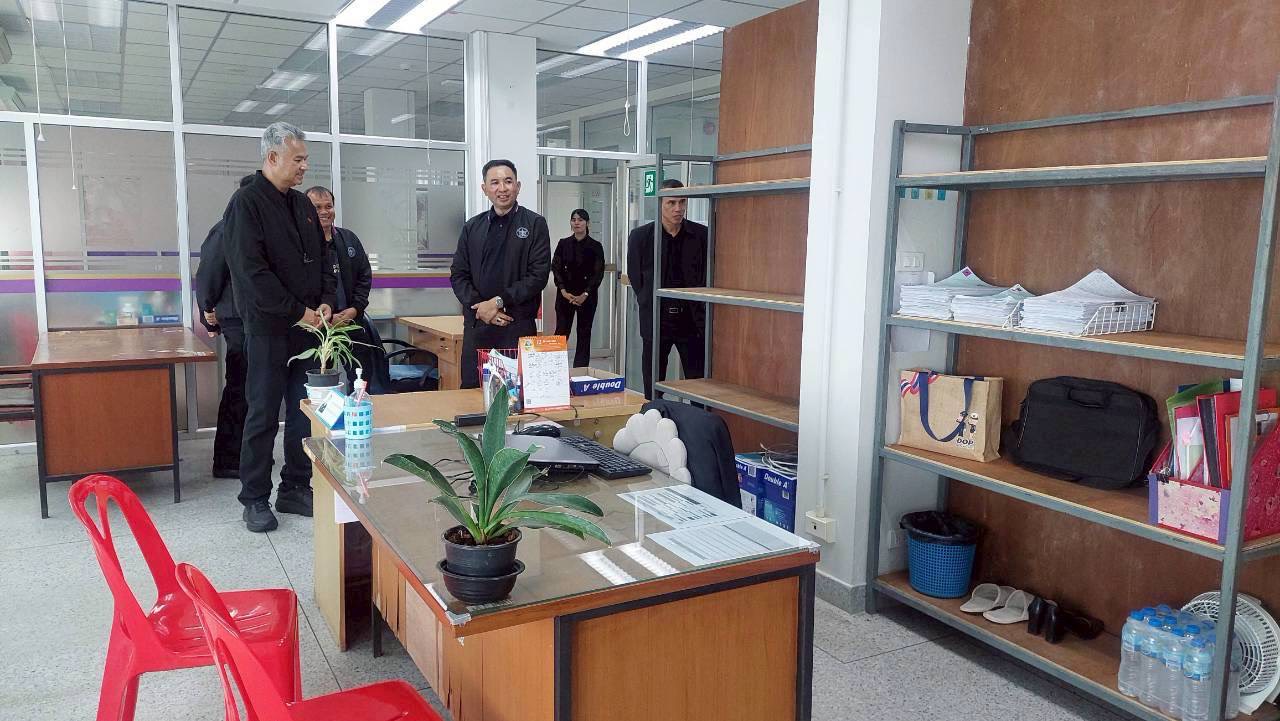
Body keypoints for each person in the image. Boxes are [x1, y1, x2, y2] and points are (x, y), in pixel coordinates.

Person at [224, 121, 335, 533]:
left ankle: (295, 486)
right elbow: (251, 273)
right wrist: (297, 311)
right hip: (268, 329)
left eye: (305, 159)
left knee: (304, 412)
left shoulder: (303, 205)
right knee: (263, 414)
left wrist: (324, 301)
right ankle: (254, 497)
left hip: (308, 328)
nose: (305, 166)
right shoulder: (246, 203)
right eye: (298, 159)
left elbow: (323, 259)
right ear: (272, 157)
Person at [450, 159, 551, 389]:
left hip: (516, 327)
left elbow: (538, 276)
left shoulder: (534, 224)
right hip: (478, 326)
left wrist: (497, 302)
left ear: (518, 186)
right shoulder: (472, 227)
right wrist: (481, 308)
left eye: (508, 181)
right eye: (494, 182)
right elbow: (458, 275)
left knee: (515, 396)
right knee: (472, 393)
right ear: (484, 188)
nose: (502, 188)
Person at [194, 175, 254, 479]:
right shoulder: (225, 230)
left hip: (255, 321)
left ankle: (246, 455)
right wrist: (207, 312)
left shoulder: (257, 230)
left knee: (251, 390)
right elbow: (208, 276)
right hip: (237, 320)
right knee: (239, 389)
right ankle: (228, 459)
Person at [626, 178, 707, 399]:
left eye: (682, 202)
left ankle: (696, 419)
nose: (678, 208)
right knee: (653, 385)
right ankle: (654, 417)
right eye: (671, 203)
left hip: (691, 320)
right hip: (656, 319)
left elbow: (706, 274)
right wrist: (647, 301)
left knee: (698, 384)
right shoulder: (641, 237)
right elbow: (635, 275)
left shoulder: (701, 235)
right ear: (660, 203)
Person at [304, 185, 379, 393]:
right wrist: (322, 318)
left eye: (328, 206)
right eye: (317, 207)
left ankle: (357, 411)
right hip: (317, 328)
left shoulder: (348, 239)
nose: (324, 212)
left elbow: (364, 277)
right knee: (321, 384)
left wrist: (354, 310)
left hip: (350, 322)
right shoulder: (301, 244)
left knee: (362, 378)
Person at [551, 208, 605, 368]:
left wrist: (585, 294)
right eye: (573, 220)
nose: (577, 223)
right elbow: (556, 268)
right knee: (561, 332)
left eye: (580, 220)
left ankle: (580, 371)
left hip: (587, 297)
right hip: (565, 295)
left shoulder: (595, 246)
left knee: (584, 333)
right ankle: (554, 368)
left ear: (587, 223)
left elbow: (598, 273)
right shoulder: (563, 244)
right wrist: (563, 290)